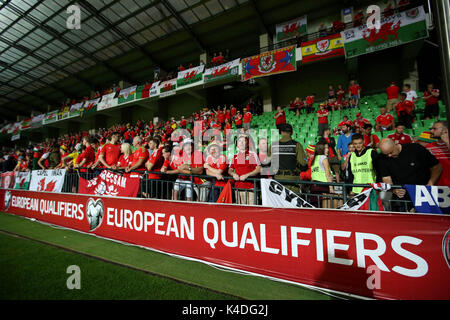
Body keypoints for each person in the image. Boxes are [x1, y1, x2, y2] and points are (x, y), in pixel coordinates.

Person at [378, 138, 442, 212]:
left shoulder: (415, 149)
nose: (389, 156)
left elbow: (437, 167)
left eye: (391, 152)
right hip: (402, 197)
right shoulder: (381, 159)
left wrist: (430, 183)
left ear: (395, 144)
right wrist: (394, 189)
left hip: (423, 194)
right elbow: (386, 179)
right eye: (386, 154)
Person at [271, 124, 308, 193]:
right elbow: (303, 163)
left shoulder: (273, 145)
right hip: (292, 181)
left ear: (281, 132)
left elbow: (267, 162)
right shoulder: (296, 145)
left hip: (278, 180)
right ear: (292, 132)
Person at [228, 135, 261, 205]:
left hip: (250, 188)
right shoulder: (235, 156)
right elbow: (230, 170)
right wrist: (233, 174)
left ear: (247, 143)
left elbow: (258, 169)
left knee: (252, 210)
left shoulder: (252, 154)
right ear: (237, 144)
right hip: (238, 188)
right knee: (240, 211)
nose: (241, 143)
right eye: (239, 141)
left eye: (244, 141)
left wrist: (247, 175)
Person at [310, 141, 335, 208]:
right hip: (322, 187)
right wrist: (331, 188)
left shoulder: (314, 158)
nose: (328, 150)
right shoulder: (323, 157)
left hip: (313, 187)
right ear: (321, 149)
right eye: (325, 148)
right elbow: (328, 174)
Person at [426, 121, 450, 186]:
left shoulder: (448, 144)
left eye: (434, 129)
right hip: (436, 185)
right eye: (431, 129)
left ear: (445, 130)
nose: (431, 131)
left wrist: (447, 142)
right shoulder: (429, 147)